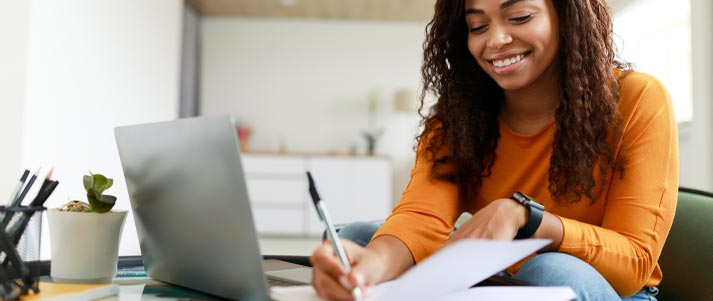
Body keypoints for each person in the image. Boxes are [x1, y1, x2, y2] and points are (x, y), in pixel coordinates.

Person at [310, 0, 678, 300]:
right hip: (500, 280)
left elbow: (635, 263)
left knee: (549, 269)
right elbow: (421, 217)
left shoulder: (638, 99)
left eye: (519, 16)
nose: (496, 40)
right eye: (478, 26)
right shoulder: (458, 118)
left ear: (566, 16)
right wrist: (368, 266)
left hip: (607, 288)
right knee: (357, 237)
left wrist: (526, 218)